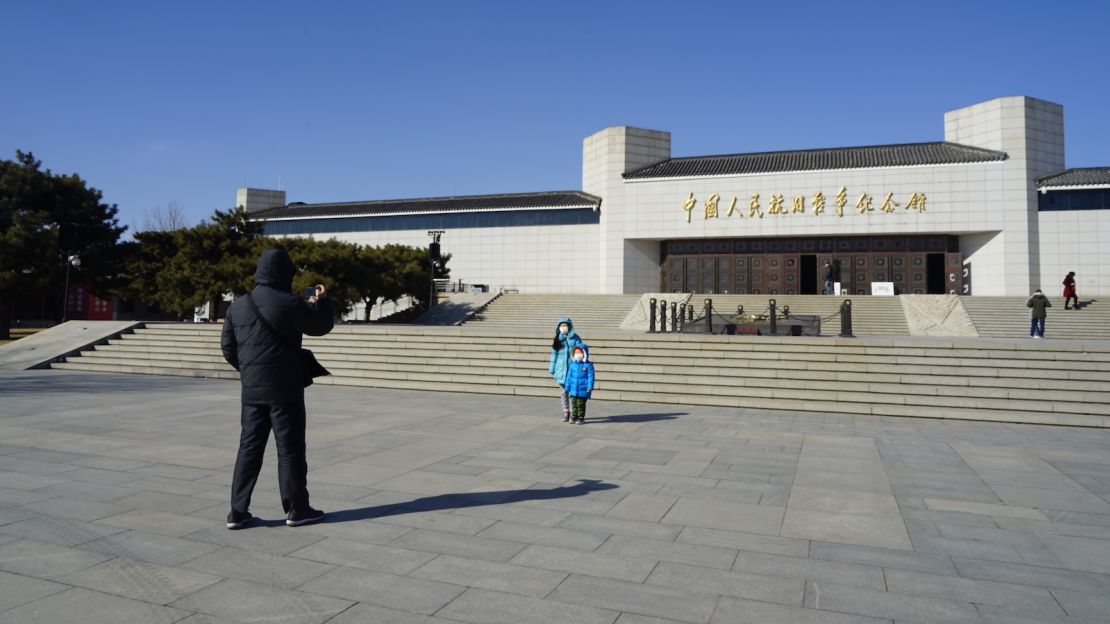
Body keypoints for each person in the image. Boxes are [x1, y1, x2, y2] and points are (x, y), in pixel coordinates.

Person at [220, 248, 335, 529]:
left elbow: (227, 348)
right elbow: (321, 326)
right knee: (290, 449)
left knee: (248, 449)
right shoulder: (291, 303)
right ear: (285, 273)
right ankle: (297, 510)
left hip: (252, 391)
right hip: (285, 391)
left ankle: (237, 512)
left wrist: (249, 371)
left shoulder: (238, 305)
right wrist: (322, 301)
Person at [548, 316, 583, 422]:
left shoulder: (576, 338)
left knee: (573, 392)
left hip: (573, 370)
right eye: (561, 326)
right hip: (560, 370)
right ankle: (565, 411)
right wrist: (552, 368)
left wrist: (580, 366)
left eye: (565, 325)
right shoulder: (558, 339)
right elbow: (554, 354)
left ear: (570, 327)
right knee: (563, 392)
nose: (563, 328)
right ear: (558, 327)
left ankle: (574, 412)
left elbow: (580, 352)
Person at [563, 344, 595, 424]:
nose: (578, 354)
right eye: (576, 352)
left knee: (580, 404)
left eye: (579, 352)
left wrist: (589, 387)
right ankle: (574, 415)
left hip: (583, 389)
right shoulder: (572, 365)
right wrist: (567, 387)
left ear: (584, 353)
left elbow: (591, 377)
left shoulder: (588, 365)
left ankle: (581, 417)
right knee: (574, 403)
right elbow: (569, 377)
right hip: (574, 389)